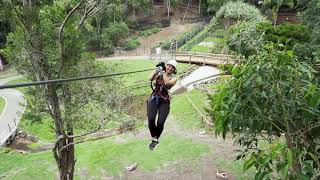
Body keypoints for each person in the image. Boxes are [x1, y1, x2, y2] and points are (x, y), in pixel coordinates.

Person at [147, 59, 178, 150]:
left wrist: (162, 71)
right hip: (154, 97)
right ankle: (154, 137)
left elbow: (167, 83)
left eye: (172, 67)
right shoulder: (159, 73)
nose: (170, 68)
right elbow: (150, 78)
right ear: (166, 66)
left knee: (160, 122)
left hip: (164, 100)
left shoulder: (174, 79)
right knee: (151, 118)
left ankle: (155, 139)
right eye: (169, 66)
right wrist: (156, 69)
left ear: (174, 70)